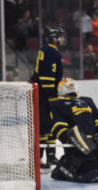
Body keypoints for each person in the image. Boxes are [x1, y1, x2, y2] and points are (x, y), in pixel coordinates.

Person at [30, 27, 66, 171]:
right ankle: (39, 160)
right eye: (61, 37)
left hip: (43, 94)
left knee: (50, 125)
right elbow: (46, 77)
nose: (64, 39)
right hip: (45, 96)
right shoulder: (52, 52)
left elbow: (38, 74)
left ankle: (50, 156)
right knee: (44, 127)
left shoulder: (46, 50)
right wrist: (52, 96)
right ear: (55, 39)